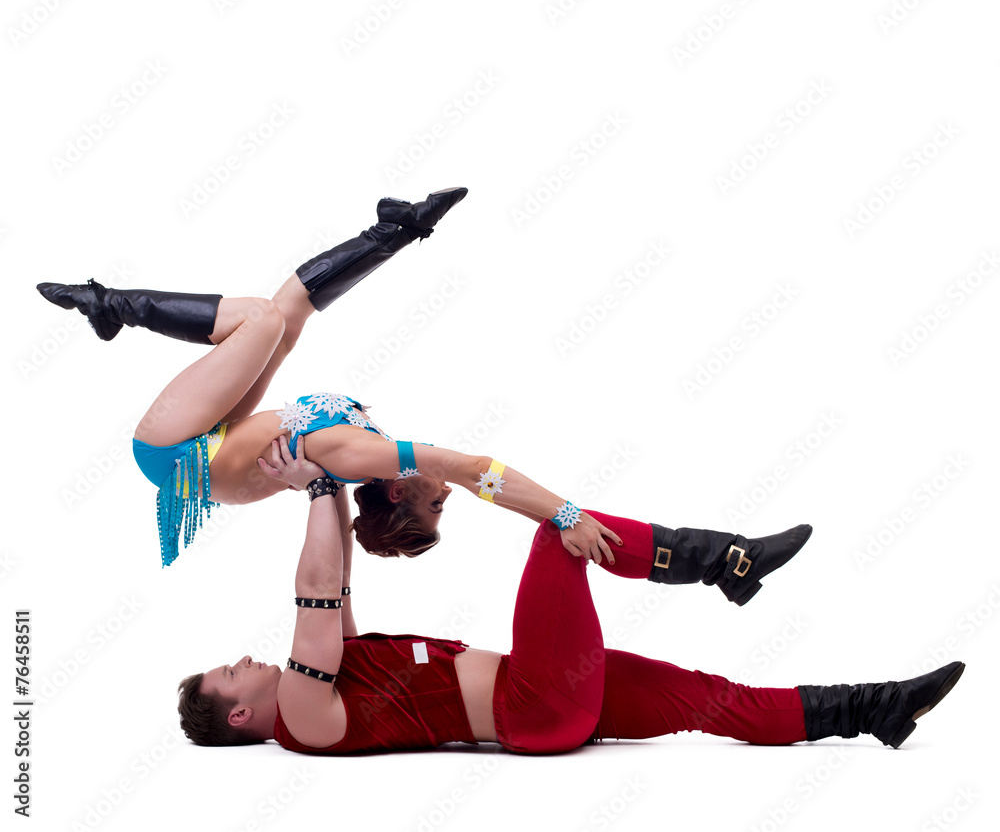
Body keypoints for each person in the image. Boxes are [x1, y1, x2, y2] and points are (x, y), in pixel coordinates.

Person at [37, 186, 808, 577]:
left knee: (265, 321)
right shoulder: (367, 453)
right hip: (219, 445)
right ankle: (394, 227)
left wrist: (566, 511)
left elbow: (475, 469)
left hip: (177, 455)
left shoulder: (361, 458)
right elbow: (304, 301)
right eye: (443, 505)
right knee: (281, 316)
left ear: (401, 496)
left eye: (434, 506)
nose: (446, 497)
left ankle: (111, 306)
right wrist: (403, 238)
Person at [177, 439, 963, 755]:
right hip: (534, 702)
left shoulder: (325, 679)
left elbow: (337, 578)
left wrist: (327, 483)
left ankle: (873, 709)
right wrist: (315, 483)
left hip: (551, 697)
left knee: (710, 697)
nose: (244, 660)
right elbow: (315, 588)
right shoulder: (305, 716)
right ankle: (725, 560)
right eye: (231, 672)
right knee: (560, 533)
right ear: (240, 713)